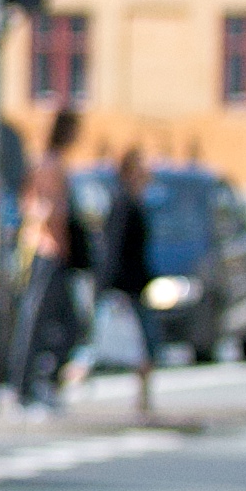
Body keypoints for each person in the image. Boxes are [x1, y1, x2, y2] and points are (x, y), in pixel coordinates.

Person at [7, 111, 82, 409]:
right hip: (46, 252)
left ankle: (42, 380)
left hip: (52, 253)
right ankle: (25, 385)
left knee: (69, 323)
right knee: (36, 319)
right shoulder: (49, 165)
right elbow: (40, 206)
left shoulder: (50, 163)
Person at [96, 145, 159, 419]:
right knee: (137, 344)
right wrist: (109, 286)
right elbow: (115, 248)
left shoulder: (134, 201)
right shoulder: (124, 203)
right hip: (126, 287)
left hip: (135, 286)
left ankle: (144, 400)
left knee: (141, 345)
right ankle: (143, 401)